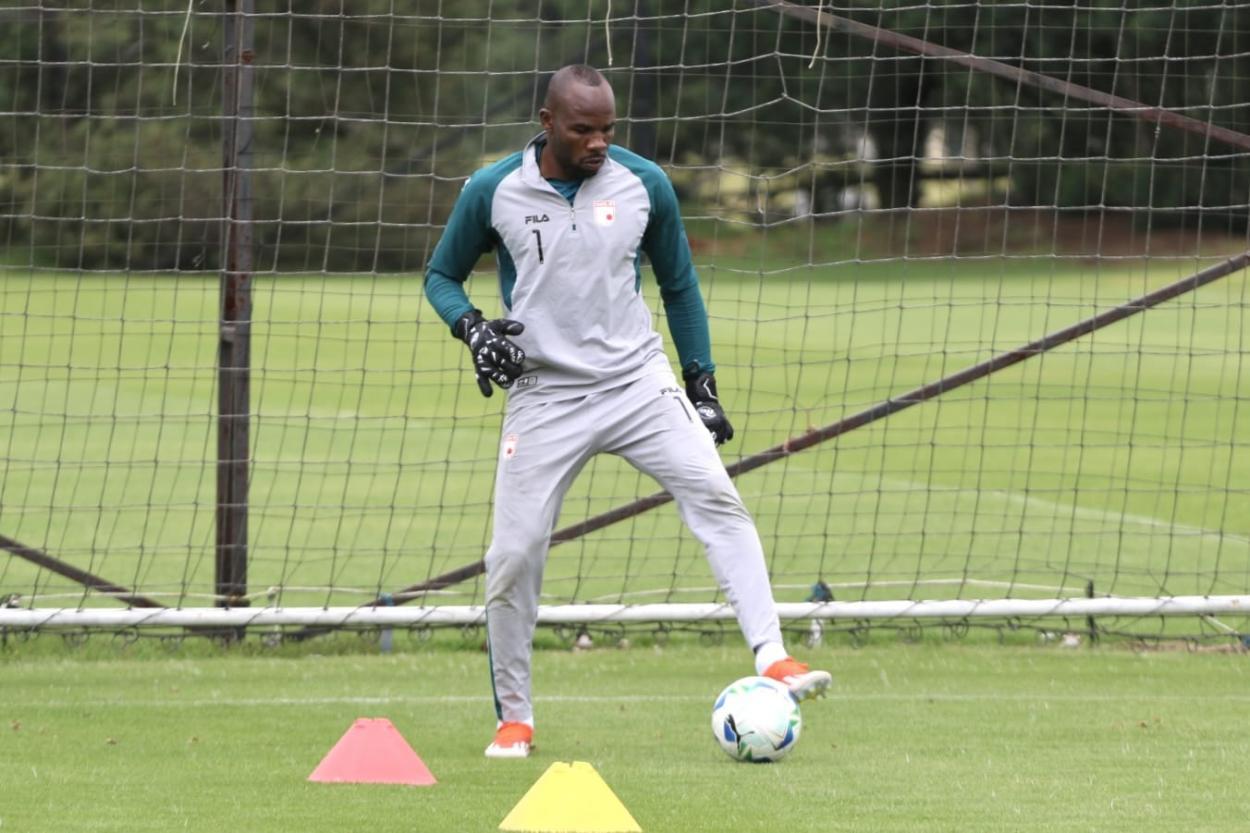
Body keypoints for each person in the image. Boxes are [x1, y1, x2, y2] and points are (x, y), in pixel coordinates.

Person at [424, 64, 831, 759]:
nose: (598, 143)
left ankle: (773, 655)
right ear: (547, 123)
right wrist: (472, 328)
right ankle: (515, 719)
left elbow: (679, 285)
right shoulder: (493, 189)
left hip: (637, 382)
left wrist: (701, 383)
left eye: (608, 129)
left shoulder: (645, 184)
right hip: (544, 394)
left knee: (715, 494)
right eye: (583, 130)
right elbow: (441, 276)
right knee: (513, 555)